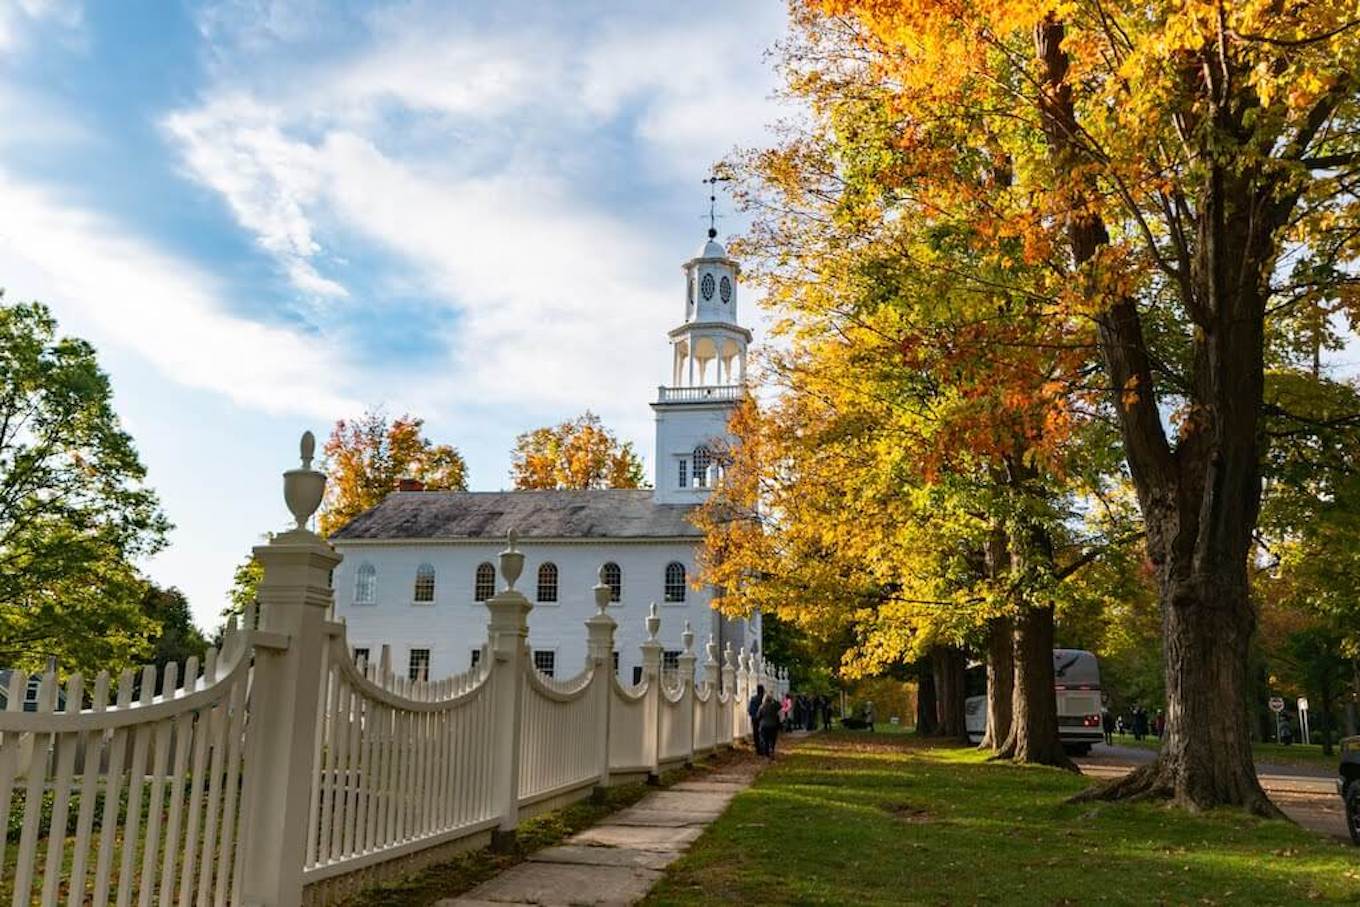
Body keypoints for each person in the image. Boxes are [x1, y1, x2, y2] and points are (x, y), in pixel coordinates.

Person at [757, 692, 782, 758]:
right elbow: (780, 706)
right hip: (773, 726)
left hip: (764, 726)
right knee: (772, 739)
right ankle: (772, 750)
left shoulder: (761, 707)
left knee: (765, 740)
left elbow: (758, 716)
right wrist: (774, 700)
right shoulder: (774, 706)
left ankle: (767, 754)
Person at [748, 684, 766, 755]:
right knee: (762, 734)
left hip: (754, 719)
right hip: (762, 719)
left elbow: (749, 710)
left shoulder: (753, 699)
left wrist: (753, 715)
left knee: (756, 734)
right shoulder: (763, 700)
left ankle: (758, 749)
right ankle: (762, 748)